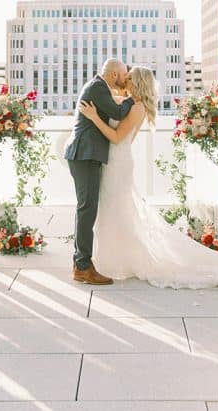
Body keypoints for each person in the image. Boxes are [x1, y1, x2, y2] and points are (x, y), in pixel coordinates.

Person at [78, 67, 218, 288]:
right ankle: (112, 258)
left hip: (118, 163)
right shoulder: (129, 103)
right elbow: (109, 99)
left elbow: (117, 138)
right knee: (114, 212)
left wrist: (94, 118)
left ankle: (124, 260)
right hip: (115, 162)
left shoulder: (136, 108)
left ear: (135, 84)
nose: (123, 83)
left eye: (127, 80)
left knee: (119, 210)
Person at [64, 58, 134, 285]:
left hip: (86, 154)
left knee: (86, 208)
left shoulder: (99, 87)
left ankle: (80, 263)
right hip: (84, 155)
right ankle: (83, 266)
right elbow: (119, 112)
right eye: (125, 75)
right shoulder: (98, 87)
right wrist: (134, 97)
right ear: (114, 74)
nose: (126, 79)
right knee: (87, 208)